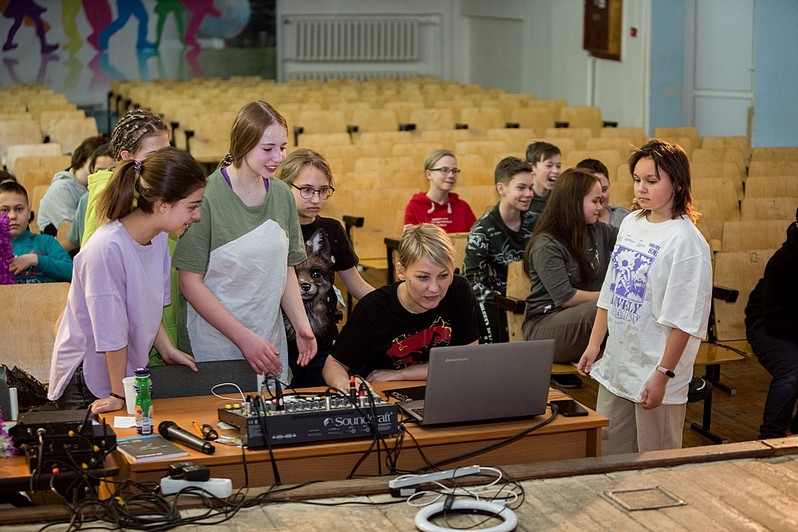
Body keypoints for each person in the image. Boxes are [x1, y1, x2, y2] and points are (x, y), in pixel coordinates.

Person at [577, 139, 712, 454]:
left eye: (652, 181)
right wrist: (595, 345)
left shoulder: (687, 242)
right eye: (637, 180)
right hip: (619, 366)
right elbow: (611, 291)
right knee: (609, 456)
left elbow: (684, 321)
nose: (641, 188)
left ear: (677, 184)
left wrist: (663, 375)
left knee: (654, 462)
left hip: (656, 370)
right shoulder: (631, 222)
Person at [47, 147, 206, 413]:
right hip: (89, 377)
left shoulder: (158, 237)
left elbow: (149, 305)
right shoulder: (106, 248)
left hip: (119, 375)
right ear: (162, 205)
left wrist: (166, 348)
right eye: (192, 206)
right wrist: (117, 394)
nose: (197, 215)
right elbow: (111, 331)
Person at [173, 101, 316, 384]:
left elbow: (286, 270)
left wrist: (301, 324)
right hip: (215, 346)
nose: (278, 157)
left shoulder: (282, 195)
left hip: (268, 340)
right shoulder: (207, 196)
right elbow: (189, 283)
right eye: (268, 149)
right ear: (243, 145)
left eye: (282, 147)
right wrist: (243, 338)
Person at [323, 224, 481, 392]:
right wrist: (345, 384)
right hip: (385, 395)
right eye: (423, 277)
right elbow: (333, 365)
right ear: (401, 271)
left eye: (443, 276)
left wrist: (401, 374)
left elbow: (468, 361)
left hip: (441, 390)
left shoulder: (459, 290)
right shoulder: (373, 309)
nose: (434, 288)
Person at [276, 148, 374, 387]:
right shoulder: (273, 229)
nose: (316, 199)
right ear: (285, 187)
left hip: (323, 349)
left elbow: (357, 285)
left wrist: (394, 302)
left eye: (323, 190)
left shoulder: (332, 229)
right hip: (279, 348)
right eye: (307, 190)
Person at [523, 168, 618, 388]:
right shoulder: (547, 244)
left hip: (584, 318)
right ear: (574, 203)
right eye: (594, 201)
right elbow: (566, 297)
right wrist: (609, 297)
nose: (600, 207)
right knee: (607, 307)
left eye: (601, 200)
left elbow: (632, 242)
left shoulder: (599, 230)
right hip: (544, 328)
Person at [463, 156, 537, 343]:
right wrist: (507, 302)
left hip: (536, 299)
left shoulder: (537, 222)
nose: (528, 194)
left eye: (531, 188)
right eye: (521, 188)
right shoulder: (482, 230)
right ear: (501, 188)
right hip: (501, 305)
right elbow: (473, 284)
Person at [745, 208, 798, 440]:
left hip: (791, 325)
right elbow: (776, 321)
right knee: (792, 367)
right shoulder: (784, 261)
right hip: (766, 324)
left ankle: (794, 432)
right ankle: (770, 437)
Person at [82, 109, 171, 247]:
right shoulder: (107, 192)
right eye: (153, 155)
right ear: (127, 156)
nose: (164, 160)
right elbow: (100, 250)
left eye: (167, 152)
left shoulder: (155, 183)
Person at [0, 181, 72, 283]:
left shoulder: (46, 242)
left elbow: (72, 272)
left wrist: (35, 260)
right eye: (5, 210)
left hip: (47, 293)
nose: (12, 216)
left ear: (29, 212)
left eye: (19, 209)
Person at [37, 135, 108, 237]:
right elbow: (73, 233)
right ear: (84, 158)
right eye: (96, 159)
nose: (104, 170)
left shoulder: (93, 185)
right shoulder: (61, 188)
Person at [404, 149, 477, 233]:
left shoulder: (463, 207)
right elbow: (410, 240)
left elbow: (476, 238)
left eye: (454, 171)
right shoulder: (414, 207)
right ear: (429, 174)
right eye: (444, 170)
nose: (451, 175)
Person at [68, 143, 115, 253]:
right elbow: (73, 241)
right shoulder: (85, 200)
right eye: (98, 171)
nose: (102, 176)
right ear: (92, 170)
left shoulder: (124, 200)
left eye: (109, 171)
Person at [576, 158, 632, 227]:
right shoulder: (569, 222)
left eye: (604, 189)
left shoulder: (625, 218)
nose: (600, 196)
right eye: (592, 192)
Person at [526, 141, 562, 214]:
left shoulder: (561, 198)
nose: (555, 171)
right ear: (532, 167)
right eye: (549, 165)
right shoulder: (523, 198)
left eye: (558, 166)